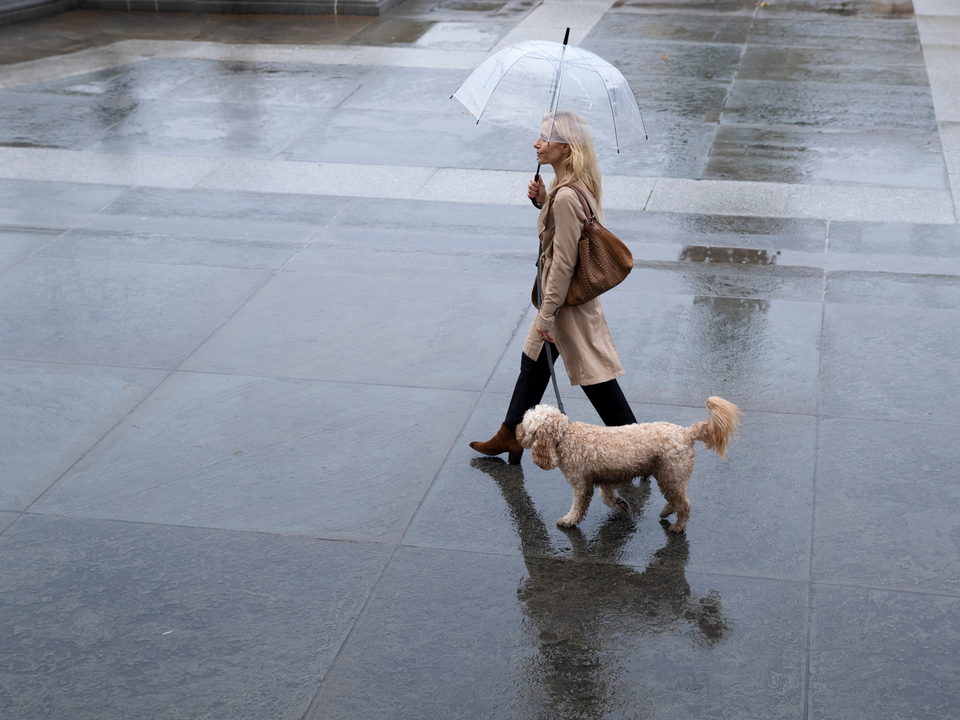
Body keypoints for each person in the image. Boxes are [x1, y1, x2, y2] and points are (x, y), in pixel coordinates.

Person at [470, 110, 637, 464]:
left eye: (544, 138)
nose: (536, 143)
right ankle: (511, 434)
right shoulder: (570, 188)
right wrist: (541, 201)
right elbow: (567, 234)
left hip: (564, 305)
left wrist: (547, 314)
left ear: (565, 148)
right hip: (561, 300)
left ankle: (636, 447)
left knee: (597, 380)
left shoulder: (565, 198)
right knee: (532, 363)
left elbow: (563, 262)